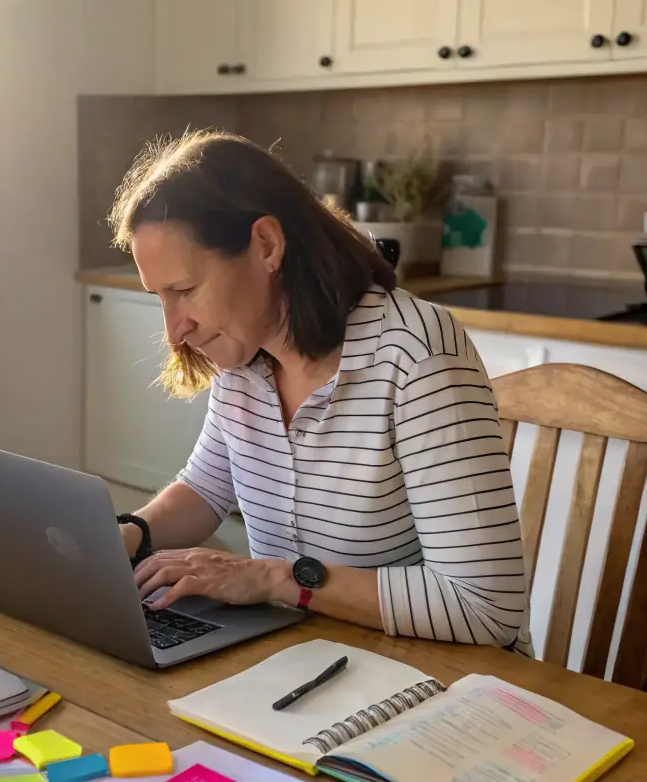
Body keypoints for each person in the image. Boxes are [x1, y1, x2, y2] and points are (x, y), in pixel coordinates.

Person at [108, 131, 530, 650]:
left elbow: (486, 609)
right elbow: (205, 488)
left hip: (436, 681)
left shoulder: (416, 354)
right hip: (307, 654)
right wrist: (122, 537)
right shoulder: (245, 358)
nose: (175, 329)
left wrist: (277, 578)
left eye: (185, 291)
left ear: (266, 245)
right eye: (160, 298)